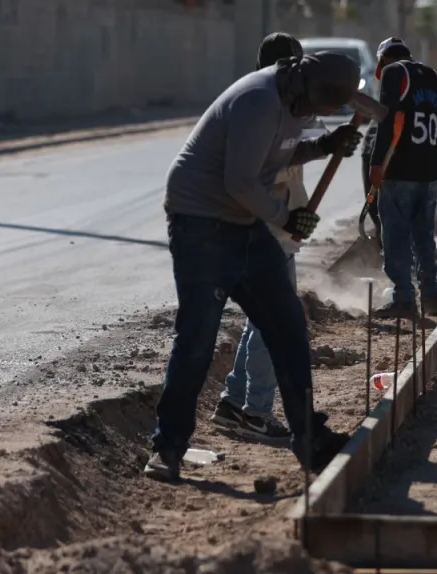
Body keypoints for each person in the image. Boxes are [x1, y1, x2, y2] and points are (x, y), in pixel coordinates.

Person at [149, 51, 364, 481]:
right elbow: (240, 180)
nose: (313, 115)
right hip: (201, 223)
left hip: (242, 223)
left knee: (287, 327)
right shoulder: (258, 100)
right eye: (316, 108)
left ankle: (309, 437)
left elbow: (275, 157)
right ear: (303, 87)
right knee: (197, 337)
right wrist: (285, 218)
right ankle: (167, 449)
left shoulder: (291, 103)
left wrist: (324, 146)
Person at [212, 32, 308, 444]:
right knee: (278, 323)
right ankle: (256, 412)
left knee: (262, 320)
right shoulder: (264, 107)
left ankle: (235, 401)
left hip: (269, 229)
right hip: (264, 232)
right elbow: (261, 176)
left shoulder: (263, 99)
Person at [366, 37, 437, 321]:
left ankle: (403, 298)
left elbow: (386, 119)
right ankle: (431, 297)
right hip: (428, 172)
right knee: (423, 237)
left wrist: (376, 163)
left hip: (399, 171)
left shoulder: (395, 73)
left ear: (382, 60)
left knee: (395, 236)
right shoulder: (432, 77)